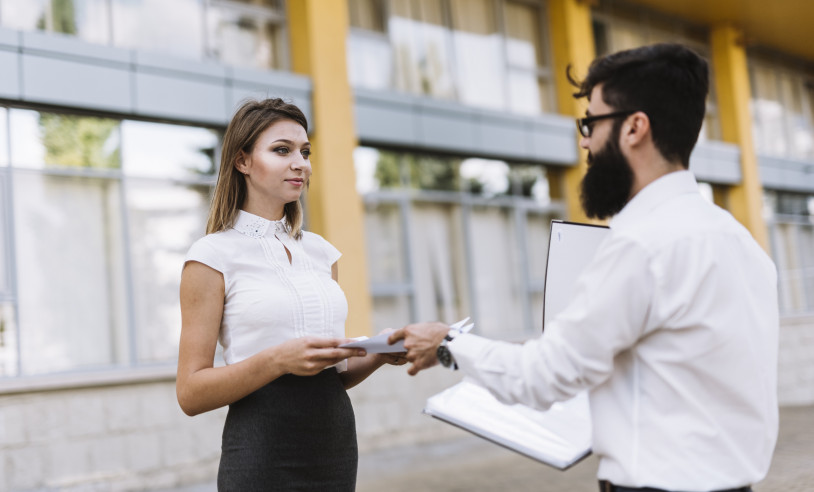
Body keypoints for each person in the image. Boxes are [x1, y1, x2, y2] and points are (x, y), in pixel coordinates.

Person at [389, 43, 778, 492]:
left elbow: (545, 376)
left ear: (635, 127)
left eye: (591, 123)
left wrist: (447, 343)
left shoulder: (641, 245)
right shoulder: (741, 243)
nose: (584, 141)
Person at [176, 98, 404, 492]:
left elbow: (330, 375)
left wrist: (379, 353)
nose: (300, 163)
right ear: (242, 161)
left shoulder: (320, 252)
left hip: (334, 448)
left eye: (305, 152)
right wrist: (277, 360)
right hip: (262, 451)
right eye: (282, 150)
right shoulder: (211, 257)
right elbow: (190, 393)